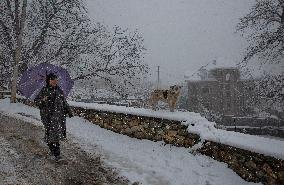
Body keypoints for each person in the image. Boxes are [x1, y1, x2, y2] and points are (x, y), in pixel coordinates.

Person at [35, 73, 73, 161]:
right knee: (51, 133)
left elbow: (64, 102)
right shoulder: (44, 90)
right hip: (47, 116)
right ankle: (56, 153)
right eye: (52, 79)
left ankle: (56, 153)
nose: (55, 81)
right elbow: (36, 101)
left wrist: (69, 111)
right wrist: (43, 100)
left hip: (58, 116)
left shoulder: (59, 91)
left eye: (56, 79)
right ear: (48, 81)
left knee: (55, 134)